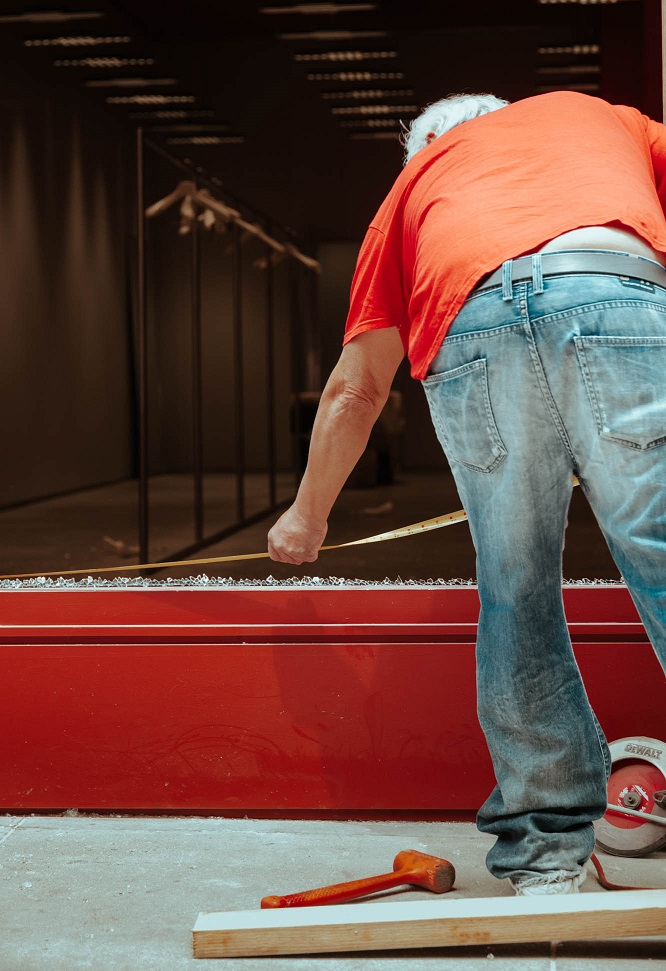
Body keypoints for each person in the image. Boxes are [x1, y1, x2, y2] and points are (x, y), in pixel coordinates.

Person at [267, 90, 666, 895]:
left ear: (427, 148)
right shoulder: (596, 116)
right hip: (609, 286)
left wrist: (307, 516)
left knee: (515, 587)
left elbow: (355, 390)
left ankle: (545, 856)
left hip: (473, 322)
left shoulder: (413, 189)